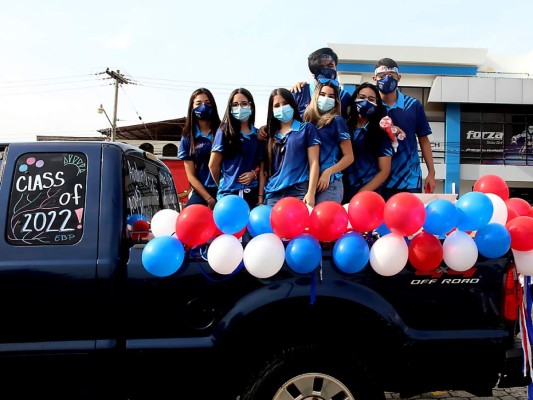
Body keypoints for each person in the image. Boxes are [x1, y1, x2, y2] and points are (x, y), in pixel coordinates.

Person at [372, 58, 436, 200]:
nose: (387, 79)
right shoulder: (371, 107)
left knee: (409, 221)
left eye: (391, 76)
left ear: (399, 78)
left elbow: (424, 140)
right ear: (374, 79)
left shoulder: (413, 105)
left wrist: (431, 173)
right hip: (378, 180)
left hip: (409, 180)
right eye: (382, 77)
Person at [259, 88, 320, 207]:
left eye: (285, 103)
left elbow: (314, 163)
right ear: (272, 110)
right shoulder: (268, 135)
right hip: (272, 194)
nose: (282, 108)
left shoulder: (307, 129)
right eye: (277, 105)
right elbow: (264, 170)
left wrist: (311, 193)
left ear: (293, 104)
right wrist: (260, 199)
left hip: (298, 191)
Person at [208, 88, 263, 210]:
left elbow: (262, 166)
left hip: (252, 194)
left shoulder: (258, 135)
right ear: (230, 108)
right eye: (235, 105)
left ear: (251, 106)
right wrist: (226, 182)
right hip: (228, 196)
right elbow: (213, 165)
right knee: (229, 228)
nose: (240, 108)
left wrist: (254, 174)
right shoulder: (224, 131)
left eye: (244, 104)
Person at [302, 80, 354, 204]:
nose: (326, 99)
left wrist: (328, 172)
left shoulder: (337, 121)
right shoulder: (306, 121)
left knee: (324, 222)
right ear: (315, 96)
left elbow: (349, 157)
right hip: (306, 183)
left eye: (331, 96)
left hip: (329, 183)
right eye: (323, 94)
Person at [342, 82, 393, 204]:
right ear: (354, 99)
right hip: (341, 191)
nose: (366, 102)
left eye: (371, 99)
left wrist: (361, 194)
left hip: (368, 197)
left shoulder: (381, 132)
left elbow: (384, 171)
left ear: (377, 104)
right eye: (362, 97)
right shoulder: (343, 126)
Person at [178, 88, 221, 210]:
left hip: (225, 189)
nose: (204, 106)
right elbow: (190, 175)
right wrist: (208, 199)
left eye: (208, 103)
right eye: (198, 103)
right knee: (189, 220)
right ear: (192, 107)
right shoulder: (188, 137)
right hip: (202, 191)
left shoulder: (223, 131)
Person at [291, 47, 352, 118]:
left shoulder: (344, 96)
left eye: (330, 66)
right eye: (321, 66)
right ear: (312, 70)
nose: (327, 70)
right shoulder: (299, 92)